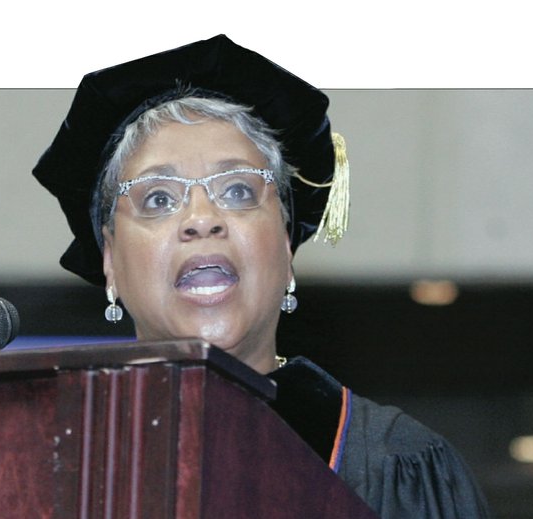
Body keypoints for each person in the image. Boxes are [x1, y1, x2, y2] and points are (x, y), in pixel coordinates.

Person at [33, 35, 490, 518]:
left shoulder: (396, 467)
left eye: (237, 191)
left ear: (287, 246)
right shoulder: (37, 465)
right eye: (159, 198)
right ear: (109, 260)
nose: (201, 218)